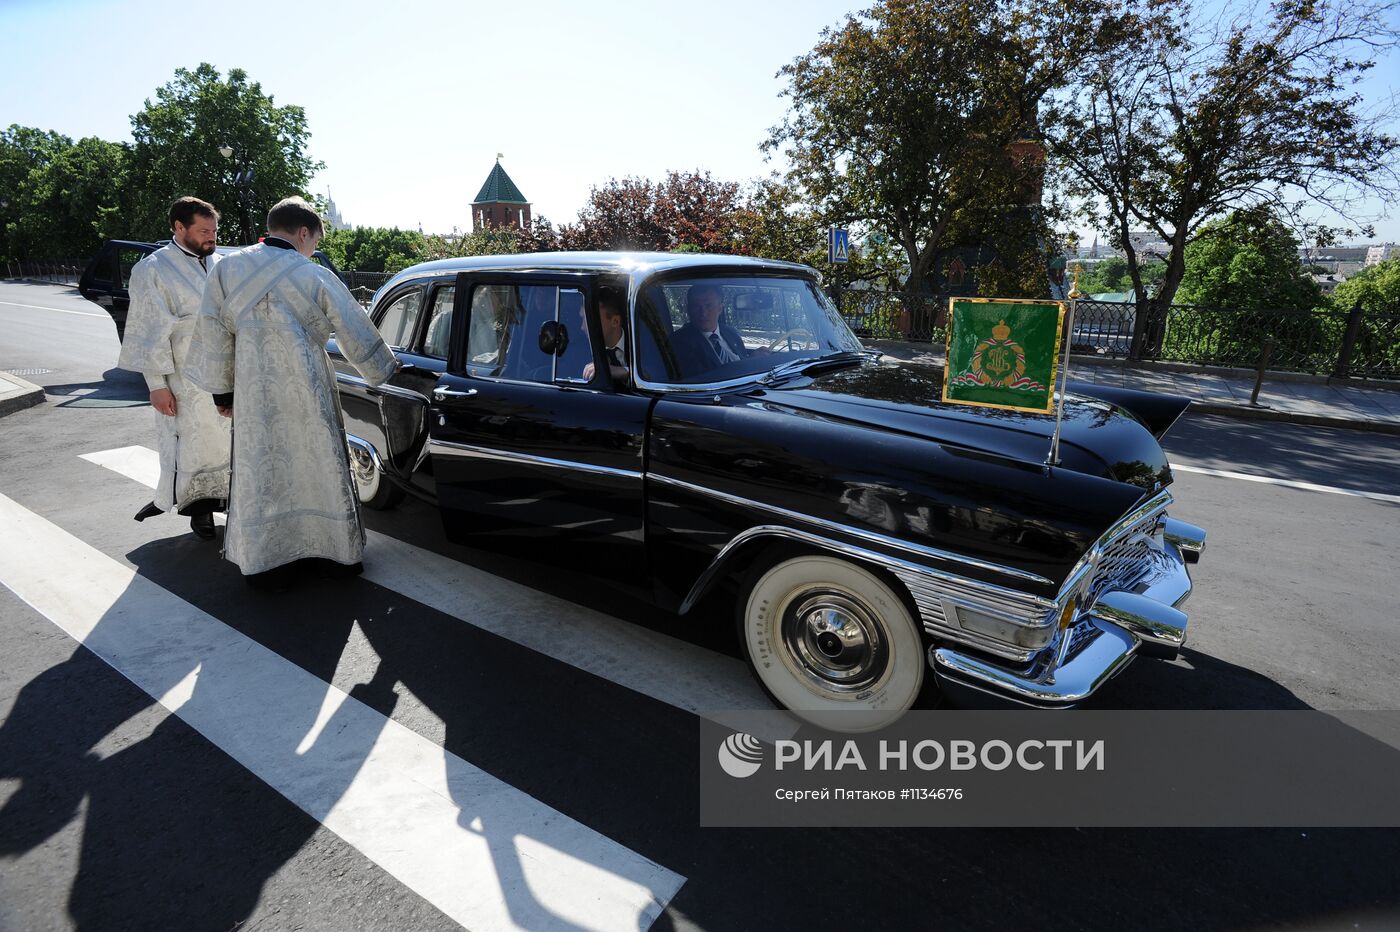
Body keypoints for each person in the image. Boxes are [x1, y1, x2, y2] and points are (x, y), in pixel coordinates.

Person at [185, 197, 397, 589]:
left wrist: (222, 394)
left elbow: (213, 334)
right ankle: (334, 554)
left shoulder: (227, 269)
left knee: (263, 471)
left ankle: (266, 563)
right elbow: (355, 329)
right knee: (317, 465)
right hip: (308, 393)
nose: (313, 249)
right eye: (314, 241)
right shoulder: (312, 274)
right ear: (303, 233)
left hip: (253, 395)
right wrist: (383, 371)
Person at [118, 196, 230, 540]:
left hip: (226, 372)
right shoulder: (152, 269)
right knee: (193, 445)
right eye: (203, 231)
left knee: (231, 442)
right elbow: (147, 331)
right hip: (184, 376)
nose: (211, 237)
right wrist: (156, 384)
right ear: (178, 227)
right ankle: (200, 513)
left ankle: (234, 504)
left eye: (214, 230)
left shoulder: (222, 263)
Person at [670, 282, 766, 376]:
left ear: (720, 308)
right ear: (688, 309)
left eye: (709, 306)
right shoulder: (679, 343)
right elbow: (705, 378)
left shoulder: (731, 333)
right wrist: (749, 363)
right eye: (696, 306)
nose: (703, 313)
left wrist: (752, 360)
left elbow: (741, 359)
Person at [580, 286, 629, 382]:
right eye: (582, 318)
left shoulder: (641, 342)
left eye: (590, 321)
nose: (582, 327)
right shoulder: (579, 351)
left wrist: (625, 371)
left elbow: (653, 373)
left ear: (615, 321)